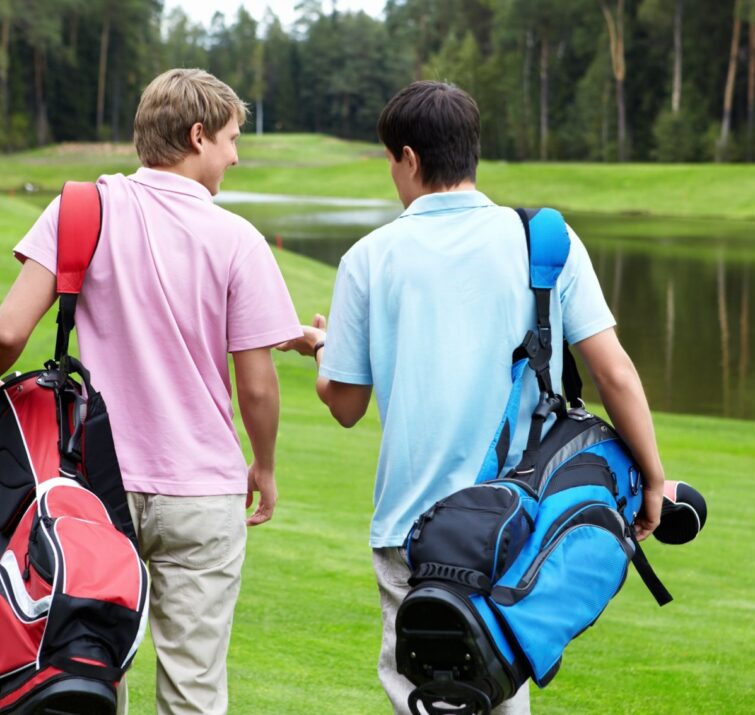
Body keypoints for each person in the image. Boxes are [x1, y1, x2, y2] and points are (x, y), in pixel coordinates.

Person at [277, 81, 667, 714]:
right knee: (498, 687)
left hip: (413, 529)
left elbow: (345, 404)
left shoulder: (367, 258)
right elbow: (614, 373)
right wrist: (653, 479)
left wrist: (322, 349)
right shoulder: (545, 240)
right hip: (519, 522)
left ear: (406, 157)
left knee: (428, 701)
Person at [0, 68, 301, 715]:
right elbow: (257, 388)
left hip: (91, 487)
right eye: (233, 138)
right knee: (194, 689)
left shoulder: (79, 208)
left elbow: (8, 329)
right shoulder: (240, 239)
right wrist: (262, 464)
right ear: (198, 135)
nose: (236, 155)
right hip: (203, 494)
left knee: (86, 674)